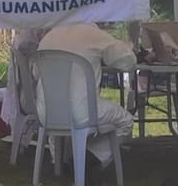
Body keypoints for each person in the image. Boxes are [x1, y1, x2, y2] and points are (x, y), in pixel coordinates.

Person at [37, 23, 136, 169]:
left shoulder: (48, 37)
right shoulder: (94, 35)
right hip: (82, 112)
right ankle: (91, 155)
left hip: (47, 112)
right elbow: (128, 62)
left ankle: (59, 161)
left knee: (60, 118)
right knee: (125, 121)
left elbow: (36, 73)